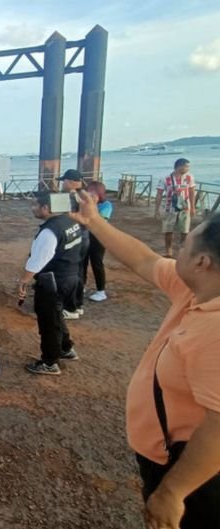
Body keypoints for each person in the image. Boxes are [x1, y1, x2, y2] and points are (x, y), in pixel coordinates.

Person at [71, 192, 220, 529]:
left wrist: (173, 491)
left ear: (202, 262)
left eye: (185, 246)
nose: (176, 251)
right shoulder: (195, 289)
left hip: (195, 477)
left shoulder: (216, 331)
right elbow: (143, 260)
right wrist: (93, 220)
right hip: (165, 456)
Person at [19, 192, 82, 376]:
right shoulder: (70, 222)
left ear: (46, 208)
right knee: (56, 315)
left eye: (35, 205)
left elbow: (38, 261)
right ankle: (65, 348)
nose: (32, 208)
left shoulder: (49, 232)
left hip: (52, 282)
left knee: (48, 322)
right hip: (71, 276)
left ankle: (49, 362)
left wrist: (23, 281)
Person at [58, 169, 90, 319]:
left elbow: (61, 216)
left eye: (64, 181)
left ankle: (70, 307)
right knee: (79, 271)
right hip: (84, 235)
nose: (62, 184)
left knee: (69, 272)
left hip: (73, 236)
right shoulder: (85, 196)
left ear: (70, 182)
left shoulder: (69, 197)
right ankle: (78, 304)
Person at [155, 158, 197, 258]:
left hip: (185, 208)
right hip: (169, 208)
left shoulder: (189, 177)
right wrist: (157, 209)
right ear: (179, 166)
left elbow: (192, 192)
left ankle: (182, 249)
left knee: (185, 230)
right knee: (168, 230)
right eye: (186, 167)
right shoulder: (165, 178)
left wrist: (193, 207)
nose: (188, 169)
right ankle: (168, 249)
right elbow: (159, 194)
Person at [83, 181, 113, 302]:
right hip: (86, 235)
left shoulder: (106, 205)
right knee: (82, 262)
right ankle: (81, 285)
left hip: (99, 238)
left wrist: (93, 204)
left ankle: (101, 291)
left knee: (97, 263)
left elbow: (98, 221)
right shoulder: (87, 203)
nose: (88, 194)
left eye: (91, 192)